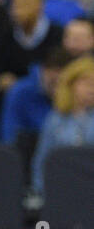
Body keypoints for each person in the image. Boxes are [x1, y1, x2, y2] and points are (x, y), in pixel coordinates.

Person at [32, 55, 94, 195]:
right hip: (60, 191)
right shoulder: (55, 119)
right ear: (71, 84)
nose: (92, 89)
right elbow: (41, 161)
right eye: (87, 83)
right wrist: (43, 193)